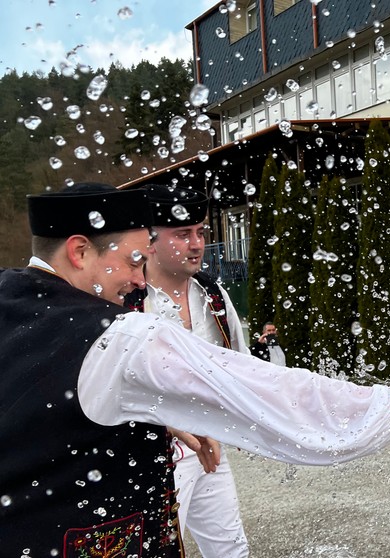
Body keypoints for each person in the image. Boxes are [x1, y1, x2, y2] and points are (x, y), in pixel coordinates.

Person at [0, 183, 390, 556]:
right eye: (133, 259)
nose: (138, 279)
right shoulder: (118, 335)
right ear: (80, 252)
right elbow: (262, 388)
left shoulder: (8, 297)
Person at [123, 184, 250, 557]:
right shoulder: (125, 302)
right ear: (150, 241)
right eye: (182, 234)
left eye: (201, 233)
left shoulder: (213, 295)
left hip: (209, 445)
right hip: (149, 455)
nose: (197, 244)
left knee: (231, 550)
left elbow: (242, 368)